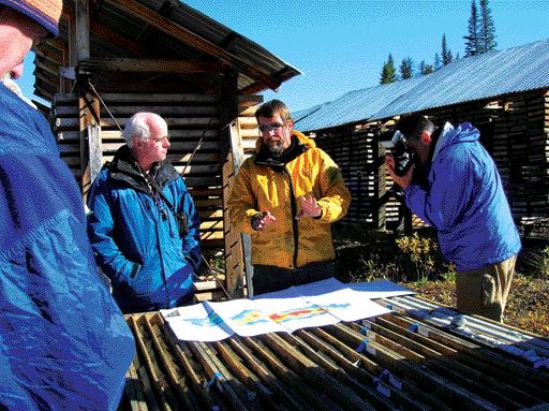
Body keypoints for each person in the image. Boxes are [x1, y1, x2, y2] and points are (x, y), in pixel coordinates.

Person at [0, 1, 135, 410]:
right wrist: (134, 275)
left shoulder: (171, 182)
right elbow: (75, 251)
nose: (21, 69)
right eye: (33, 39)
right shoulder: (112, 182)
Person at [385, 114, 521, 322]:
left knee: (478, 332)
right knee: (489, 325)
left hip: (481, 257)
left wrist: (408, 187)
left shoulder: (454, 158)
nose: (412, 157)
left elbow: (440, 215)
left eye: (412, 149)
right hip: (489, 248)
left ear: (425, 137)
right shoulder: (455, 149)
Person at [227, 99, 351, 295]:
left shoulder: (316, 159)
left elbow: (340, 196)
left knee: (319, 325)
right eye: (263, 128)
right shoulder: (250, 168)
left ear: (289, 125)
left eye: (275, 126)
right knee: (271, 325)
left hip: (316, 267)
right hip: (270, 272)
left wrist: (320, 210)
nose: (269, 134)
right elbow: (236, 208)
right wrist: (253, 220)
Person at [87, 112, 201, 313]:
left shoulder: (171, 178)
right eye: (160, 139)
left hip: (182, 294)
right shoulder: (109, 183)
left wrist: (189, 261)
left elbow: (191, 223)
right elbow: (98, 237)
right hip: (138, 303)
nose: (168, 144)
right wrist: (130, 274)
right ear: (139, 143)